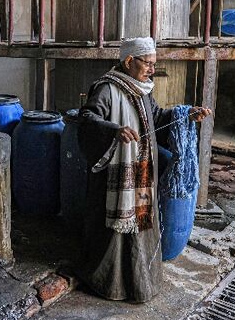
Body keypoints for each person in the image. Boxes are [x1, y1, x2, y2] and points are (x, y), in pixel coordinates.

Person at [77, 37, 210, 302]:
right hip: (113, 179)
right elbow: (87, 119)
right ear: (129, 61)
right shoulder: (107, 88)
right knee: (113, 236)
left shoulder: (143, 89)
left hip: (141, 175)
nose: (151, 70)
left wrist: (186, 114)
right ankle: (109, 284)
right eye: (147, 64)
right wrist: (114, 131)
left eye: (153, 64)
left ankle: (140, 283)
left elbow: (157, 117)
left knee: (141, 227)